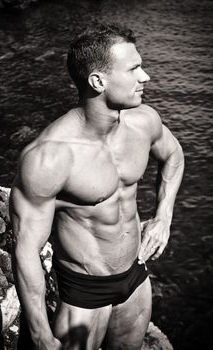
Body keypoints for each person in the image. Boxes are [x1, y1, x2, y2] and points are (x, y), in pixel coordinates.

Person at [10, 24, 184, 350]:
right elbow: (25, 250)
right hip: (84, 291)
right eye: (133, 69)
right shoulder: (50, 157)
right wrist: (40, 334)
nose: (145, 77)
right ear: (98, 81)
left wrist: (163, 217)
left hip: (136, 277)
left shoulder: (144, 122)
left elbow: (173, 156)